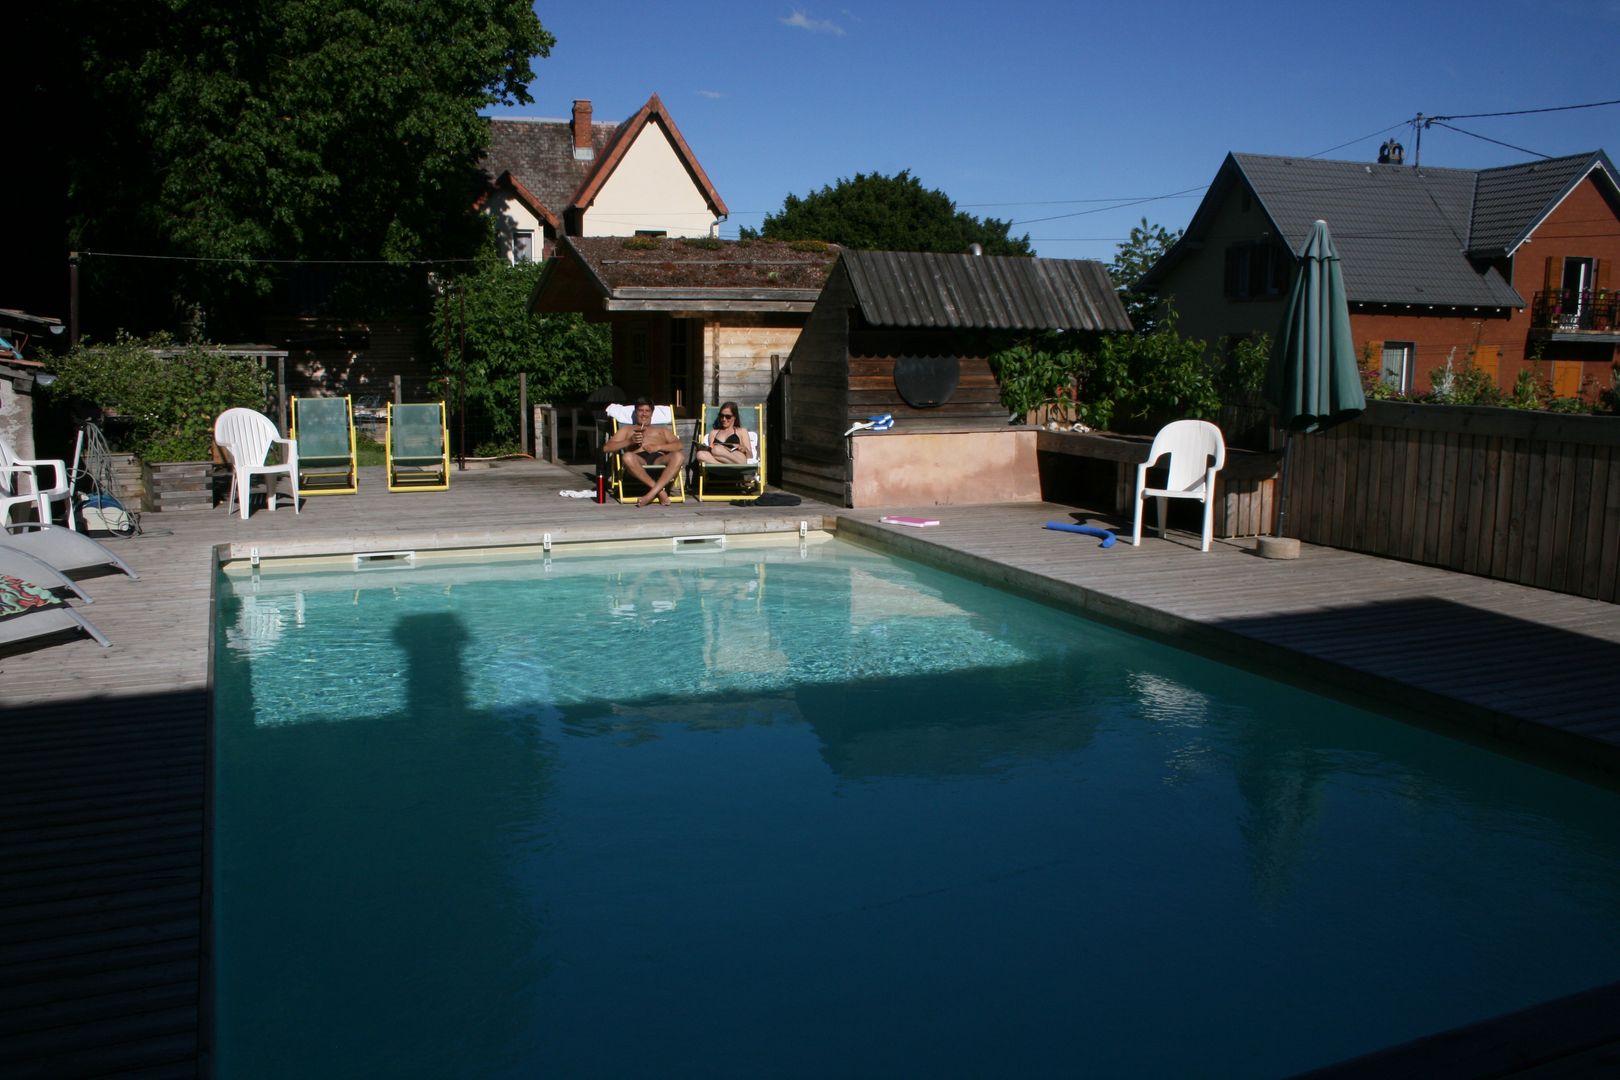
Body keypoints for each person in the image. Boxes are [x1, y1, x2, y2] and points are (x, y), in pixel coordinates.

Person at [603, 399, 686, 506]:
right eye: (640, 410)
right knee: (627, 457)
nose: (644, 414)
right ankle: (659, 491)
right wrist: (629, 441)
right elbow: (607, 448)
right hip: (638, 460)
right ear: (636, 412)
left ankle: (650, 494)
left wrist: (658, 447)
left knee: (679, 456)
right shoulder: (627, 429)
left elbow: (679, 445)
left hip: (658, 459)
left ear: (652, 413)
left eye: (647, 411)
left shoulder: (662, 430)